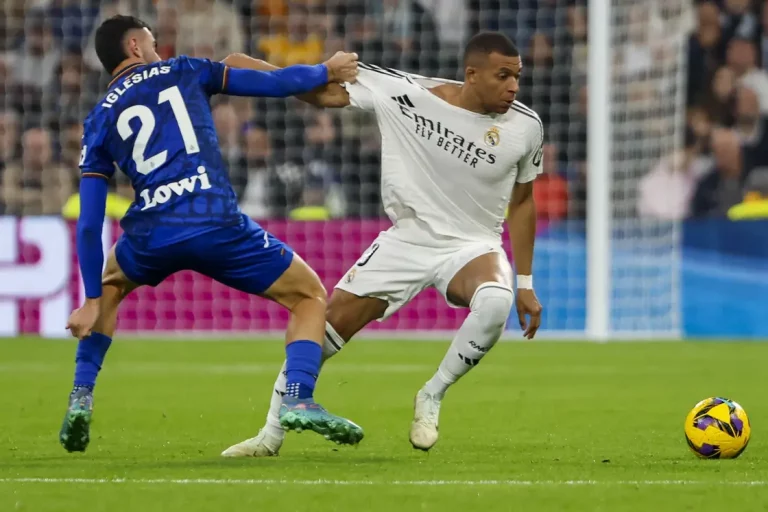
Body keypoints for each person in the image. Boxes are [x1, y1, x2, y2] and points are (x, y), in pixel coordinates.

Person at [222, 31, 543, 456]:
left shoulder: (526, 126)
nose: (513, 87)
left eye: (517, 76)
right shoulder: (403, 91)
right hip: (406, 240)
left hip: (473, 244)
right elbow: (323, 95)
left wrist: (524, 281)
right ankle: (270, 436)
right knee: (324, 328)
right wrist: (255, 71)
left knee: (496, 301)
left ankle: (432, 394)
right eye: (503, 76)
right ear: (472, 74)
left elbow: (522, 203)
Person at [60, 15, 364, 453]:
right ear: (133, 45)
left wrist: (89, 299)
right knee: (309, 295)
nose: (157, 47)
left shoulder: (99, 118)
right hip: (214, 220)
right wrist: (326, 70)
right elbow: (276, 85)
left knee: (109, 286)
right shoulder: (184, 69)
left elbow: (90, 225)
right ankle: (298, 398)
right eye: (151, 41)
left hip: (152, 233)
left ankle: (81, 396)